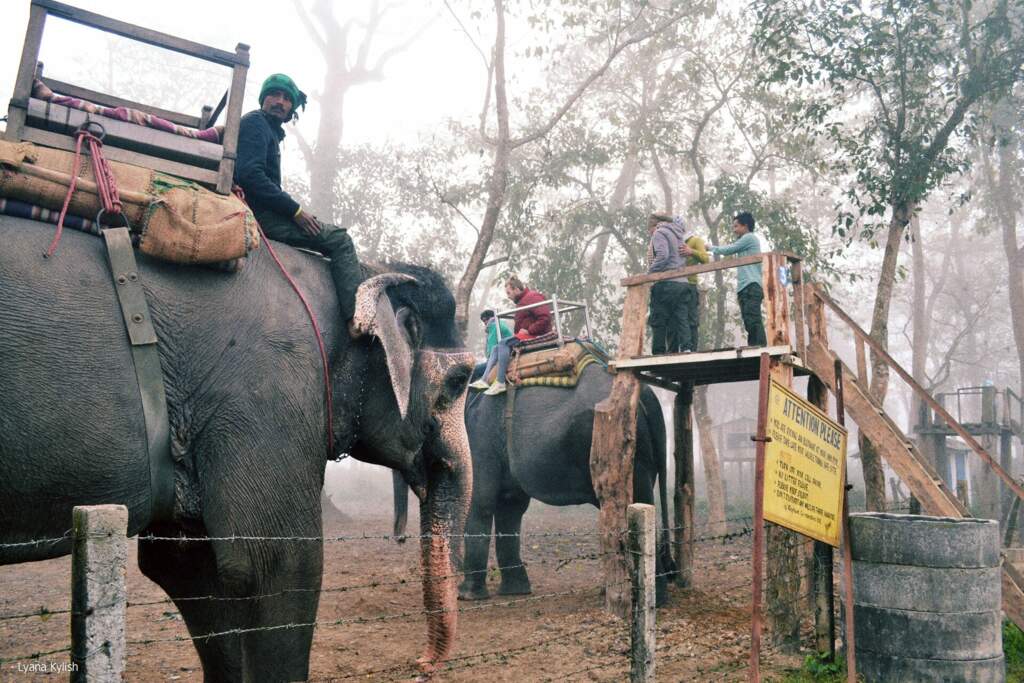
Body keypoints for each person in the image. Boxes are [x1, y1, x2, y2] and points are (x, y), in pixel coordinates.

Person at [234, 73, 362, 331]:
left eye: (286, 98)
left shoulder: (269, 130)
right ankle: (356, 319)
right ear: (263, 99)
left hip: (263, 210)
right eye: (274, 95)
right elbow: (251, 175)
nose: (280, 102)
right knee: (340, 240)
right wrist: (296, 212)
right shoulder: (256, 124)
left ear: (292, 106)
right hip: (260, 215)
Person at [469, 276, 552, 395]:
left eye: (509, 292)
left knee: (503, 343)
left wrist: (529, 330)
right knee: (496, 347)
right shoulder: (523, 301)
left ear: (517, 289)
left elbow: (545, 318)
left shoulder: (533, 297)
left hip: (537, 334)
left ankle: (500, 382)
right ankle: (484, 380)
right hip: (527, 335)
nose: (508, 296)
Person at [648, 214, 707, 354]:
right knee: (681, 316)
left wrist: (650, 272)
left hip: (667, 281)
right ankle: (687, 347)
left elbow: (663, 255)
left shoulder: (659, 233)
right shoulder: (679, 235)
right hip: (683, 282)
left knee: (659, 317)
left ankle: (658, 351)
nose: (651, 234)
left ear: (655, 226)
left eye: (650, 231)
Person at [708, 211, 766, 346]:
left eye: (736, 226)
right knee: (749, 321)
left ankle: (760, 348)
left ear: (745, 226)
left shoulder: (749, 238)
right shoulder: (745, 240)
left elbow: (729, 249)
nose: (734, 230)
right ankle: (755, 347)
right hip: (745, 286)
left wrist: (711, 248)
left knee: (753, 320)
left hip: (751, 284)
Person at [470, 309, 512, 383]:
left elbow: (492, 347)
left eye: (486, 320)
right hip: (504, 355)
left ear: (492, 317)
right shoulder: (500, 324)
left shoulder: (494, 325)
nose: (485, 323)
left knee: (473, 371)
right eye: (483, 321)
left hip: (497, 359)